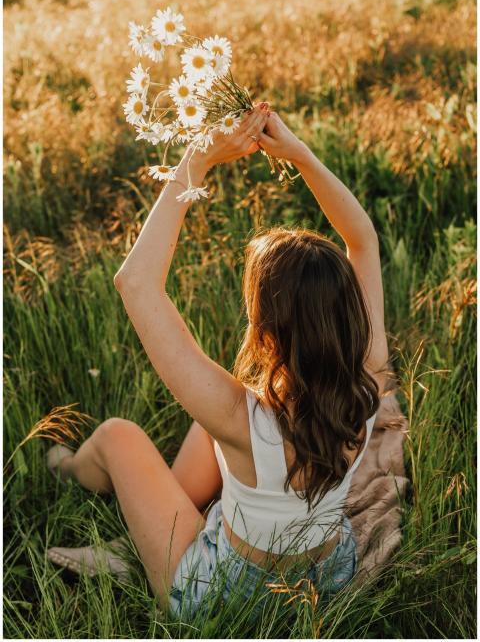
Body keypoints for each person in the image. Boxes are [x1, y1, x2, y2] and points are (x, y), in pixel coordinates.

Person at [46, 102, 390, 620]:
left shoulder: (240, 415)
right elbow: (362, 239)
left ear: (268, 329)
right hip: (326, 579)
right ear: (350, 315)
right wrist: (297, 153)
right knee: (214, 421)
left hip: (226, 598)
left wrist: (197, 160)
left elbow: (135, 284)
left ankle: (65, 469)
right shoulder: (370, 376)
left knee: (118, 436)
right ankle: (132, 546)